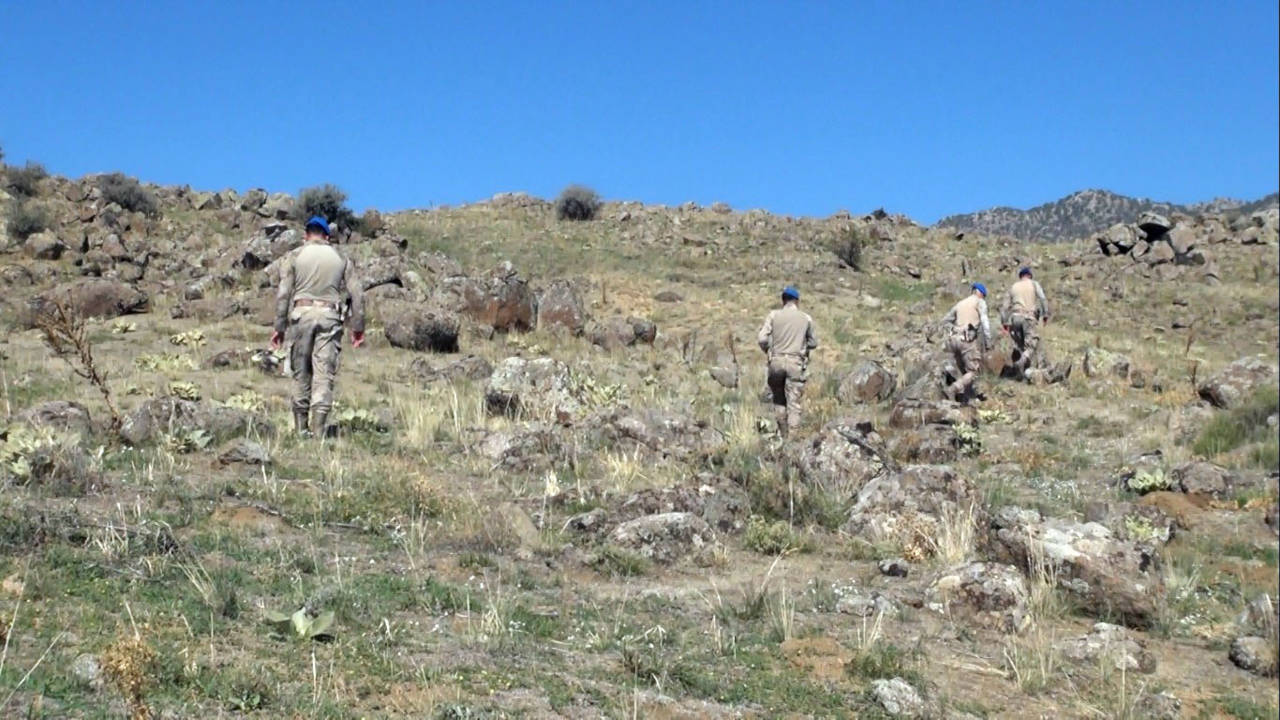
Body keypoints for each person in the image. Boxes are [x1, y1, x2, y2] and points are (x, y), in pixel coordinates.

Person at [270, 216, 365, 437]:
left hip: (301, 315)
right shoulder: (340, 257)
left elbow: (283, 295)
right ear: (327, 236)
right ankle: (320, 431)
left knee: (300, 370)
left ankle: (301, 428)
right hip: (330, 316)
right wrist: (357, 328)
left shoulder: (294, 256)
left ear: (306, 235)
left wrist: (279, 327)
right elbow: (358, 294)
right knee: (324, 372)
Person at [757, 286, 818, 438]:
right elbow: (814, 342)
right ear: (797, 301)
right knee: (794, 403)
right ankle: (793, 439)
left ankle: (783, 435)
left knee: (778, 400)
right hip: (795, 363)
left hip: (776, 362)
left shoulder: (773, 315)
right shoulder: (806, 318)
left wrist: (769, 350)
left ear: (783, 300)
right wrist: (801, 346)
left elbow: (762, 338)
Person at [941, 283, 991, 402]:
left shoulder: (960, 303)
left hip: (953, 340)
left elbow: (945, 320)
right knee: (973, 372)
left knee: (963, 371)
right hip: (966, 340)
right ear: (980, 293)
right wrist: (988, 342)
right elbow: (985, 322)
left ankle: (968, 397)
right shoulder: (980, 302)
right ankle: (953, 389)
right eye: (983, 295)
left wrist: (954, 329)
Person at [1000, 267, 1050, 379]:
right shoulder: (1033, 284)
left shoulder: (1013, 287)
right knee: (1031, 346)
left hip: (1015, 318)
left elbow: (1004, 307)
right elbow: (1042, 298)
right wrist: (1045, 314)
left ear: (1020, 276)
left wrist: (1004, 323)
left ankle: (1021, 374)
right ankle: (1021, 364)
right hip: (1028, 318)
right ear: (1029, 275)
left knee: (1020, 346)